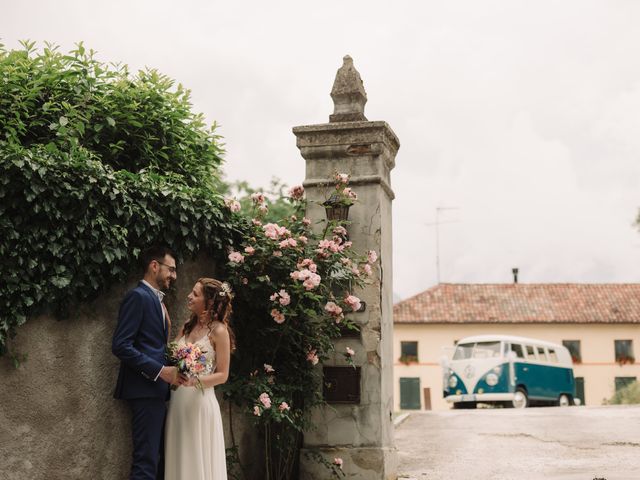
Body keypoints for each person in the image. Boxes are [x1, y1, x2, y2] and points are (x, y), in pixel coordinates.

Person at [112, 245, 185, 480]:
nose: (174, 276)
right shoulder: (138, 297)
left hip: (155, 392)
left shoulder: (157, 301)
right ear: (154, 266)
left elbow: (152, 345)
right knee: (146, 461)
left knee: (157, 459)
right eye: (171, 269)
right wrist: (160, 371)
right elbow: (121, 345)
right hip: (144, 390)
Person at [164, 277, 234, 480]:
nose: (189, 296)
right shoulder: (187, 326)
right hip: (178, 402)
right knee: (180, 455)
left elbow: (223, 374)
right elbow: (171, 354)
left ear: (209, 302)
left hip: (200, 402)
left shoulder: (219, 331)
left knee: (197, 456)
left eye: (195, 294)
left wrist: (196, 381)